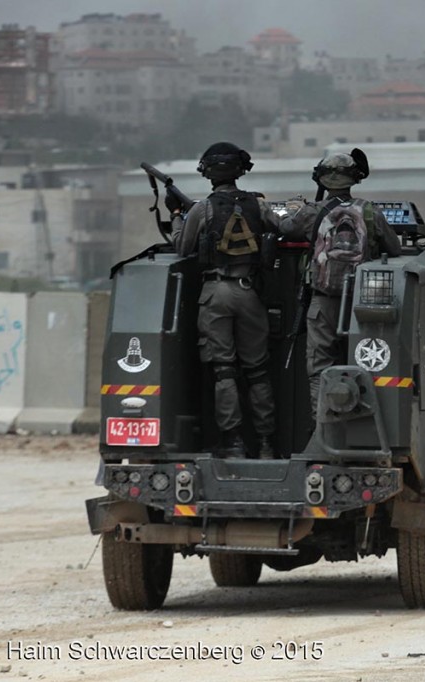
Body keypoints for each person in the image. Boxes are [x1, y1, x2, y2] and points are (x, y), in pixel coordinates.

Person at [169, 142, 280, 459]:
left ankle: (233, 444)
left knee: (224, 371)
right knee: (257, 371)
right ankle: (267, 445)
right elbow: (284, 227)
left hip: (215, 293)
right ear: (240, 171)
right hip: (249, 292)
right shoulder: (257, 206)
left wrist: (177, 214)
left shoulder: (203, 209)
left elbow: (181, 246)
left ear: (207, 173)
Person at [280, 149, 401, 427]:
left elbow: (285, 228)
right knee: (361, 367)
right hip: (360, 305)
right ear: (353, 179)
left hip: (322, 302)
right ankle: (358, 430)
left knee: (319, 369)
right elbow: (393, 248)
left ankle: (322, 432)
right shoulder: (369, 212)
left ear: (322, 180)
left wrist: (292, 210)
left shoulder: (312, 212)